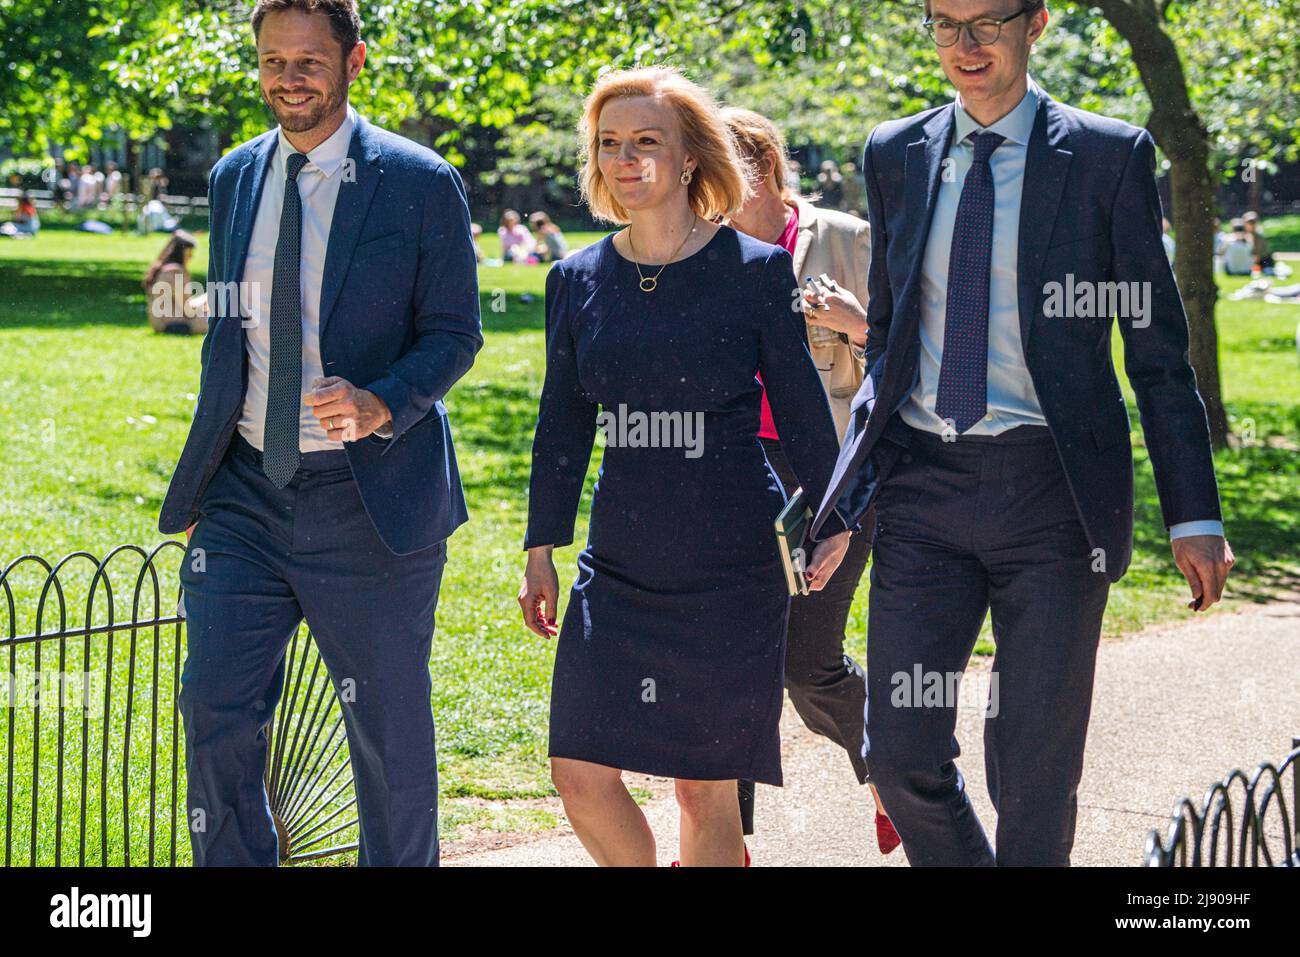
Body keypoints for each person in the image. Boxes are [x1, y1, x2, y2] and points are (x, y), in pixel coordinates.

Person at [809, 0, 1233, 866]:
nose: (964, 47)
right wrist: (851, 488)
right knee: (900, 749)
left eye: (986, 24)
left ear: (1036, 24)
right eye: (943, 24)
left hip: (1055, 496)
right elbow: (890, 339)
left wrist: (1194, 512)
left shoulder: (1109, 157)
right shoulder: (896, 151)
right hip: (923, 492)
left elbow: (1156, 355)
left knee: (1034, 768)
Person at [157, 0, 482, 866]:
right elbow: (232, 338)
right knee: (213, 709)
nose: (289, 78)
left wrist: (382, 400)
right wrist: (204, 479)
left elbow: (456, 332)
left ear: (353, 61)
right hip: (244, 496)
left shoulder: (419, 181)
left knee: (386, 731)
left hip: (369, 502)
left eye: (309, 60)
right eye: (272, 61)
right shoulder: (234, 177)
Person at [518, 65, 856, 867]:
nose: (625, 159)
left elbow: (806, 410)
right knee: (578, 774)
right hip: (620, 560)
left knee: (704, 788)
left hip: (733, 563)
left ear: (691, 158)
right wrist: (541, 547)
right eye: (609, 144)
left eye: (646, 142)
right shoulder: (575, 280)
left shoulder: (753, 270)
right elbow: (561, 423)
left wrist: (833, 513)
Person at [722, 105, 900, 856]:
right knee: (726, 661)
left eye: (711, 167)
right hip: (735, 469)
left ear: (763, 165)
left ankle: (900, 778)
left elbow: (917, 356)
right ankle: (721, 844)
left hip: (832, 476)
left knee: (807, 663)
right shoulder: (704, 248)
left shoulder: (847, 239)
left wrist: (861, 325)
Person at [143, 229, 209, 334]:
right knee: (224, 320)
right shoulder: (175, 271)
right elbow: (188, 310)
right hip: (174, 324)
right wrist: (209, 297)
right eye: (189, 252)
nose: (191, 256)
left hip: (160, 324)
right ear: (181, 252)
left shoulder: (160, 268)